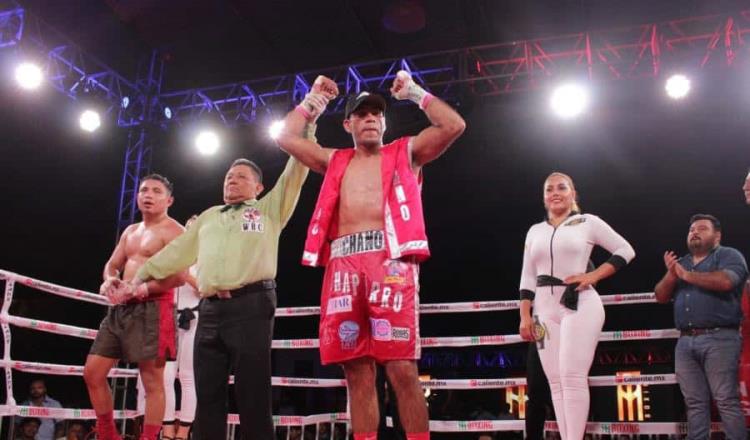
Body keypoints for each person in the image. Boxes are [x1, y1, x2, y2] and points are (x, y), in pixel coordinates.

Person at [277, 70, 466, 440]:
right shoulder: (335, 160)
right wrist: (313, 102)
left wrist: (414, 92)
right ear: (348, 123)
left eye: (376, 114)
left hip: (390, 263)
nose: (370, 119)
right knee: (356, 373)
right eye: (362, 114)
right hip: (343, 267)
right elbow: (285, 136)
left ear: (384, 121)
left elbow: (454, 125)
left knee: (402, 370)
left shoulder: (405, 152)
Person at [130, 123, 316, 440]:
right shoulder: (208, 216)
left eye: (242, 176)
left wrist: (309, 124)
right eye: (229, 176)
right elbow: (176, 253)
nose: (232, 180)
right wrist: (137, 278)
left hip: (252, 305)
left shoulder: (269, 209)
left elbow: (296, 170)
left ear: (258, 187)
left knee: (252, 392)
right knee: (207, 393)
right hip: (210, 310)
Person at [518, 172, 635, 440]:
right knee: (556, 382)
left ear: (573, 193)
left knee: (572, 376)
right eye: (549, 189)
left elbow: (625, 250)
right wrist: (525, 314)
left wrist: (592, 275)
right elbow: (527, 276)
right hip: (543, 311)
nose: (555, 192)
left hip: (579, 303)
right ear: (544, 196)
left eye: (562, 187)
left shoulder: (588, 222)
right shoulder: (535, 231)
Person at [83, 174, 185, 440]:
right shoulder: (130, 231)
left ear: (169, 200)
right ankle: (108, 434)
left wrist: (142, 288)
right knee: (93, 373)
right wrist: (109, 280)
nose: (148, 195)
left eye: (156, 191)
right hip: (120, 309)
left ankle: (149, 437)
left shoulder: (175, 231)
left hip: (154, 308)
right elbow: (112, 263)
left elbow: (180, 275)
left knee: (152, 382)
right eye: (143, 190)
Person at [654, 214, 748, 440]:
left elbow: (727, 282)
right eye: (691, 230)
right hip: (685, 341)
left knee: (725, 399)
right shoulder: (682, 262)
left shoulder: (729, 255)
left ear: (717, 235)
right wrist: (671, 273)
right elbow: (660, 296)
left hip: (720, 338)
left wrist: (686, 275)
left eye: (702, 228)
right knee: (694, 403)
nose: (694, 232)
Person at [135, 215, 200, 440]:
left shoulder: (208, 259)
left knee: (188, 377)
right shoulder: (172, 256)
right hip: (168, 316)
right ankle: (168, 428)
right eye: (187, 227)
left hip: (194, 318)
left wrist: (185, 273)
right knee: (165, 376)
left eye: (194, 228)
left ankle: (184, 431)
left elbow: (206, 288)